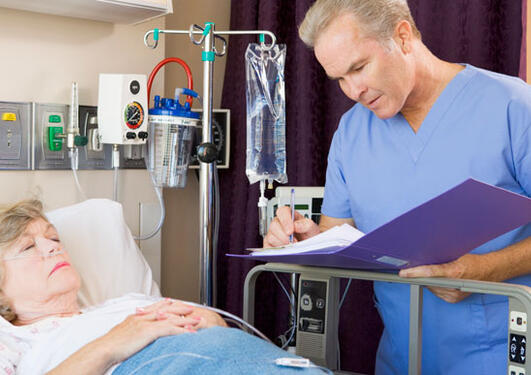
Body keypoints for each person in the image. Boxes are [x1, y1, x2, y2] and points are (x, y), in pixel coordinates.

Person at [264, 0, 531, 374]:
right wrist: (305, 241)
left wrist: (484, 269)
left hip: (501, 357)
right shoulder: (352, 134)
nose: (352, 90)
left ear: (402, 36)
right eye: (339, 78)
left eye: (358, 68)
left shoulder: (511, 107)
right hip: (402, 360)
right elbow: (337, 237)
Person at [0, 200, 327, 375]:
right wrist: (114, 342)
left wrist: (209, 321)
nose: (53, 248)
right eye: (29, 247)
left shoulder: (126, 303)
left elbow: (218, 329)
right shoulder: (11, 340)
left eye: (54, 238)